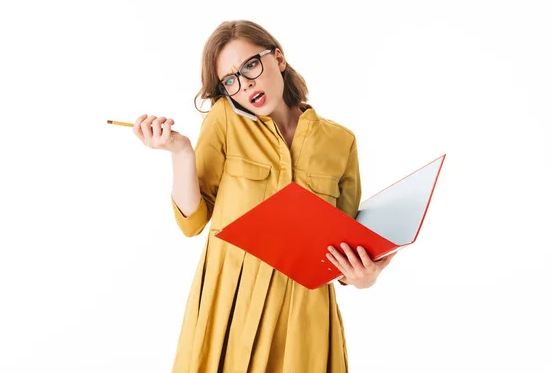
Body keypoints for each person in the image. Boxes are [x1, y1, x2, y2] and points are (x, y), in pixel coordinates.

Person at [132, 20, 396, 373]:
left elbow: (342, 250)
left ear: (279, 59)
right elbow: (192, 222)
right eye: (230, 81)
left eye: (250, 66)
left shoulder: (340, 142)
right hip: (230, 306)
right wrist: (180, 152)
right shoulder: (224, 120)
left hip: (304, 319)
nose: (245, 84)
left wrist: (362, 277)